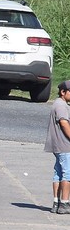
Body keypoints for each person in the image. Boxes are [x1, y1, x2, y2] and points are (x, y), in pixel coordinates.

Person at [47, 80, 70, 213]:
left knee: (59, 173)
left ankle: (56, 202)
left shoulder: (58, 103)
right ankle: (65, 203)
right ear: (63, 92)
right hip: (65, 145)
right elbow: (64, 124)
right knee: (68, 173)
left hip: (58, 145)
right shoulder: (61, 106)